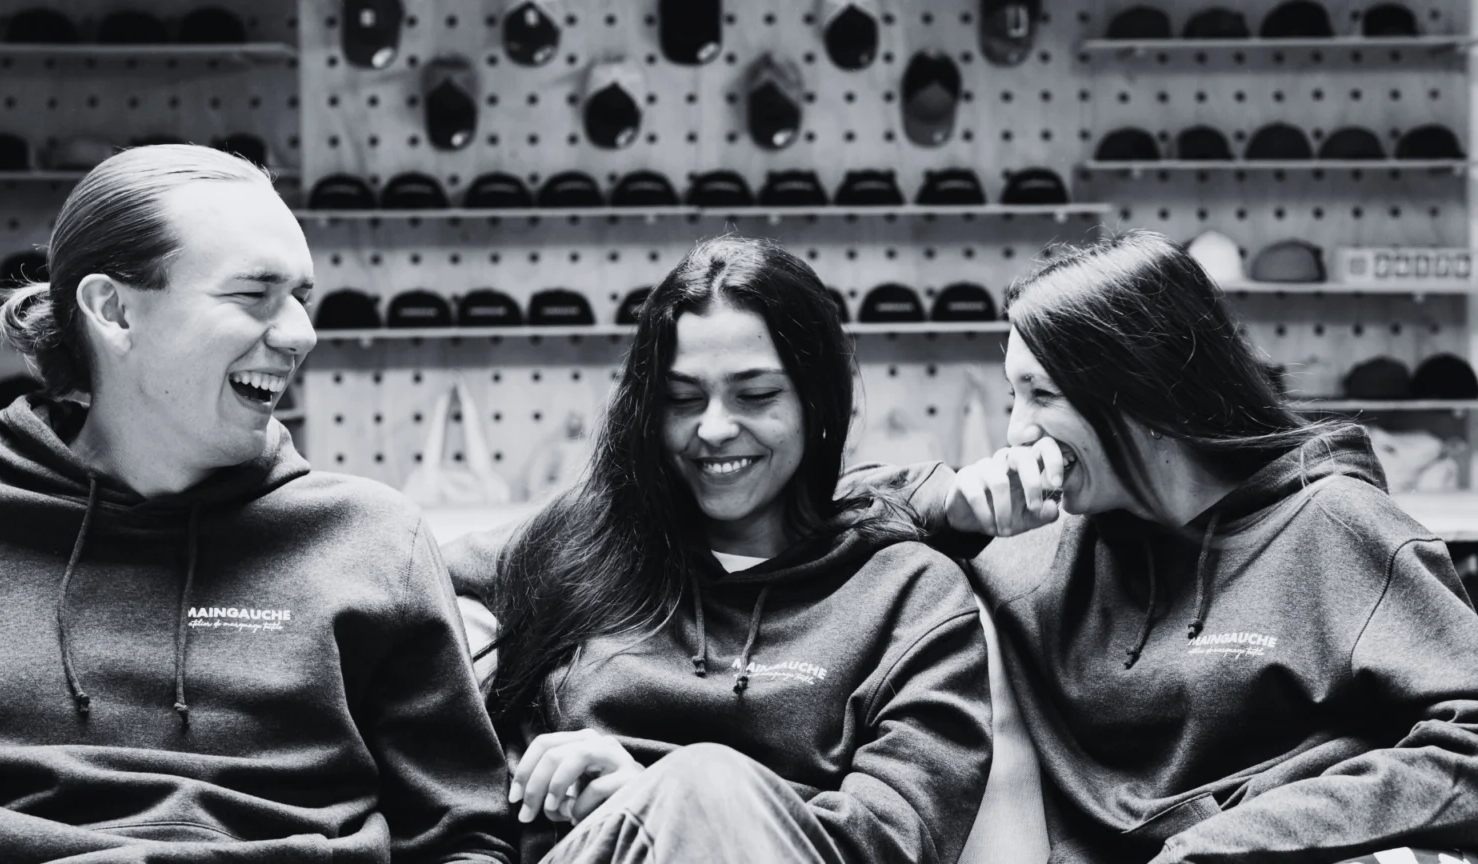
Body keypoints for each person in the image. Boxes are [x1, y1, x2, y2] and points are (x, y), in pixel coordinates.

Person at [0, 145, 513, 863]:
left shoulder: (372, 539)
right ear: (113, 310)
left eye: (300, 297)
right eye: (253, 294)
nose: (301, 334)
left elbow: (462, 838)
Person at [865, 229, 1478, 863]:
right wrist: (948, 507)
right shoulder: (1037, 543)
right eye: (1012, 396)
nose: (1018, 431)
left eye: (1043, 395)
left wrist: (1230, 845)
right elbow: (813, 514)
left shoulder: (1334, 527)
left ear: (1144, 390)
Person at [443, 236, 994, 864]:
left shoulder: (909, 593)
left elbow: (899, 839)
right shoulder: (579, 546)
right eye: (681, 399)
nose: (712, 429)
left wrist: (666, 797)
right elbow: (403, 585)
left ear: (816, 401)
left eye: (754, 396)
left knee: (705, 783)